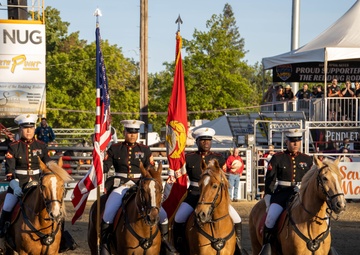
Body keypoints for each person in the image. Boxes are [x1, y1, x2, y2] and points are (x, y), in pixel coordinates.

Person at [0, 114, 76, 253]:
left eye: (31, 127)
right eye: (25, 128)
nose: (28, 131)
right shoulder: (14, 147)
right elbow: (10, 171)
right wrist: (15, 185)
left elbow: (49, 166)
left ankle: (62, 239)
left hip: (38, 184)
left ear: (35, 129)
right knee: (7, 207)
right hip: (19, 185)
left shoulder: (41, 145)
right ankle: (2, 237)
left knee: (57, 210)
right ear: (20, 129)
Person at [101, 120, 175, 255]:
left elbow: (150, 168)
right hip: (121, 184)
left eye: (135, 133)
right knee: (108, 213)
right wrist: (98, 166)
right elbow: (106, 167)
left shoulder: (144, 149)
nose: (132, 135)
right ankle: (105, 244)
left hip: (141, 184)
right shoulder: (115, 148)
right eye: (129, 132)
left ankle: (164, 242)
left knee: (163, 215)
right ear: (124, 132)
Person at [173, 128, 244, 253]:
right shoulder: (189, 158)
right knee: (179, 218)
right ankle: (179, 247)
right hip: (195, 194)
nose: (206, 143)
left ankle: (238, 246)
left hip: (215, 197)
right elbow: (180, 174)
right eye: (203, 140)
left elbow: (224, 178)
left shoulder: (218, 158)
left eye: (208, 140)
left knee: (237, 219)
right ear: (197, 141)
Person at [259, 129, 313, 254]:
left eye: (298, 141)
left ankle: (326, 247)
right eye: (292, 141)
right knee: (270, 219)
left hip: (301, 195)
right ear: (286, 142)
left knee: (323, 218)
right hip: (282, 194)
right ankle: (266, 248)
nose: (295, 144)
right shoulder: (278, 158)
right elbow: (270, 179)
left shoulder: (307, 159)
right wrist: (268, 195)